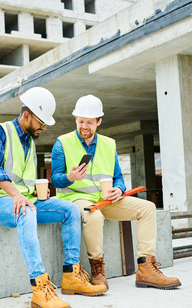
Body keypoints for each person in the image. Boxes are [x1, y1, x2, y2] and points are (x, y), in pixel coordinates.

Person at [0, 87, 107, 308]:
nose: (44, 127)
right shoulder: (0, 131)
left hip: (19, 199)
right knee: (26, 212)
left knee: (69, 210)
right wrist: (16, 195)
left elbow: (22, 182)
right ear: (27, 115)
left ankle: (71, 275)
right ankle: (40, 287)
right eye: (41, 122)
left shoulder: (29, 142)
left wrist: (35, 193)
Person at [51, 94, 181, 289]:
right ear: (75, 119)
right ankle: (97, 269)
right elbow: (55, 178)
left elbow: (118, 176)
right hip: (76, 198)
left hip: (106, 199)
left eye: (89, 122)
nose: (84, 126)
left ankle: (146, 269)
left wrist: (119, 189)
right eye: (80, 121)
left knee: (148, 208)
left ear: (99, 121)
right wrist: (70, 177)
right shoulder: (62, 143)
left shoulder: (108, 144)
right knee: (93, 216)